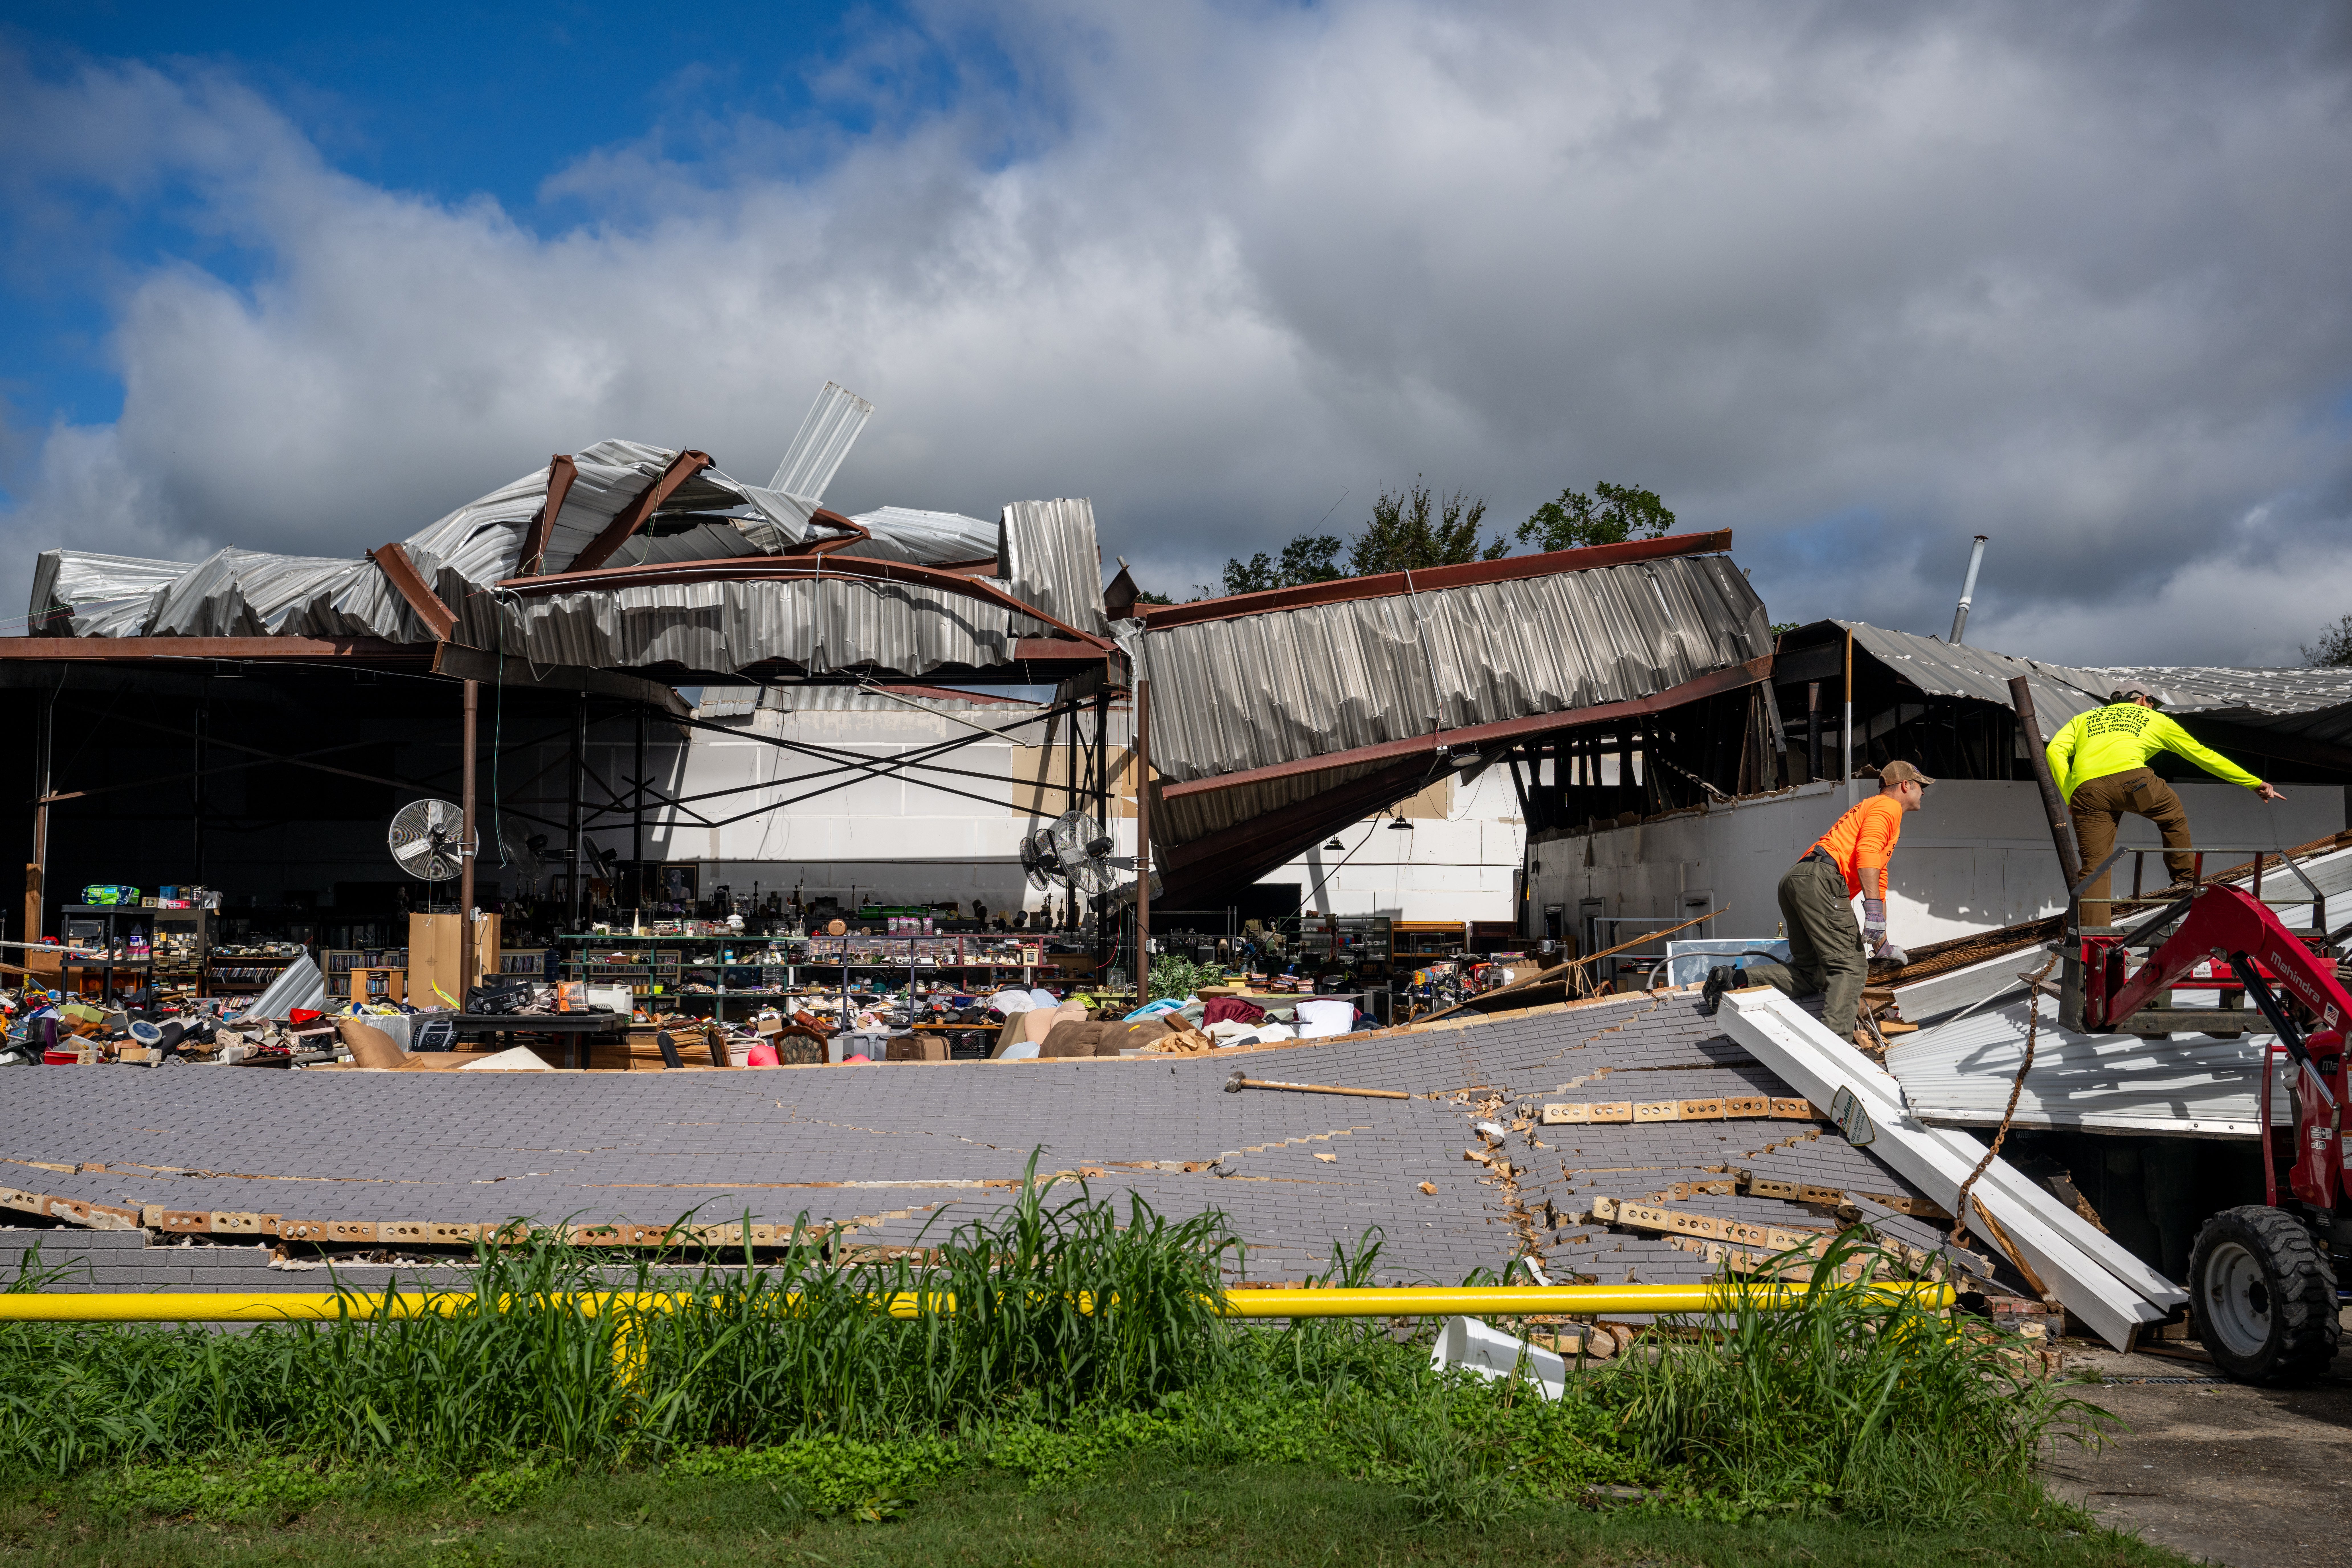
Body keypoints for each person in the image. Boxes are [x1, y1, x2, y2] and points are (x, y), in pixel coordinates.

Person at [1708, 761, 1932, 1046]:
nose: (1924, 792)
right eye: (1921, 786)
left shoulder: (1875, 810)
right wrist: (1873, 912)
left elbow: (1879, 874)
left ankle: (1734, 980)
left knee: (1811, 973)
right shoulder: (1887, 808)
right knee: (1850, 968)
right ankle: (1833, 1051)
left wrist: (1882, 942)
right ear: (1905, 785)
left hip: (1799, 878)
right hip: (1822, 879)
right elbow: (1866, 855)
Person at [2046, 681, 2284, 925]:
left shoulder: (2084, 719)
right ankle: (2184, 880)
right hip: (2134, 781)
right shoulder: (2155, 720)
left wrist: (2071, 794)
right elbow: (2202, 756)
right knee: (2171, 815)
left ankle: (2094, 935)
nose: (2154, 708)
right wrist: (2253, 782)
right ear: (2142, 699)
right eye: (2153, 703)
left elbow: (2054, 751)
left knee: (2094, 866)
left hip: (2087, 791)